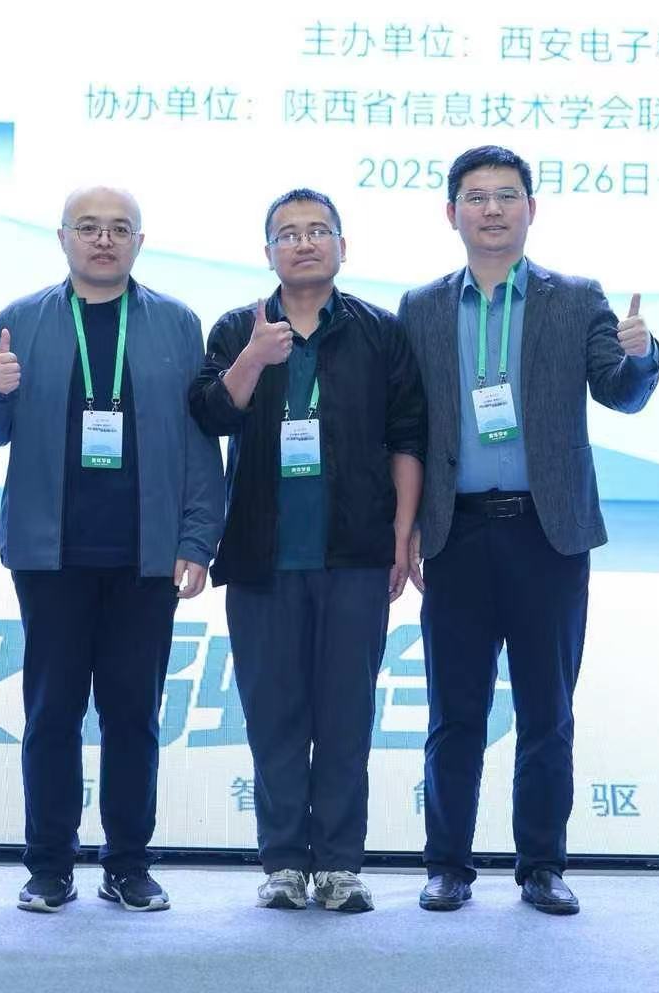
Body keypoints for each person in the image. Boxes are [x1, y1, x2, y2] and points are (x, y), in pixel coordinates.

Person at [397, 145, 659, 916]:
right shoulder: (421, 307)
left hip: (549, 534)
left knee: (547, 711)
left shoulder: (574, 299)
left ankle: (542, 865)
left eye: (507, 195)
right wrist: (403, 528)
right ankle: (447, 865)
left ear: (531, 209)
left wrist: (642, 358)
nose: (492, 209)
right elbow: (405, 425)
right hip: (456, 533)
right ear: (451, 213)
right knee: (455, 712)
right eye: (476, 196)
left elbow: (620, 393)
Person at [0, 186, 225, 914]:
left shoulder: (177, 323)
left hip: (146, 556)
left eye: (119, 228)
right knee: (51, 715)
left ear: (140, 241)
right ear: (62, 238)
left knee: (133, 717)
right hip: (50, 556)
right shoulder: (20, 320)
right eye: (88, 227)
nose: (103, 240)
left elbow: (201, 442)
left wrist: (198, 538)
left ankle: (129, 865)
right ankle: (49, 865)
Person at [190, 188, 425, 914]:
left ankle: (342, 864)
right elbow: (208, 412)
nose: (304, 243)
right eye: (287, 234)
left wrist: (402, 532)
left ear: (342, 247)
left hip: (355, 552)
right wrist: (253, 360)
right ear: (268, 253)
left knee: (346, 715)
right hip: (262, 555)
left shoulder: (380, 332)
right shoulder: (238, 327)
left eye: (318, 230)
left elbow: (407, 436)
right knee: (274, 715)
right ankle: (285, 862)